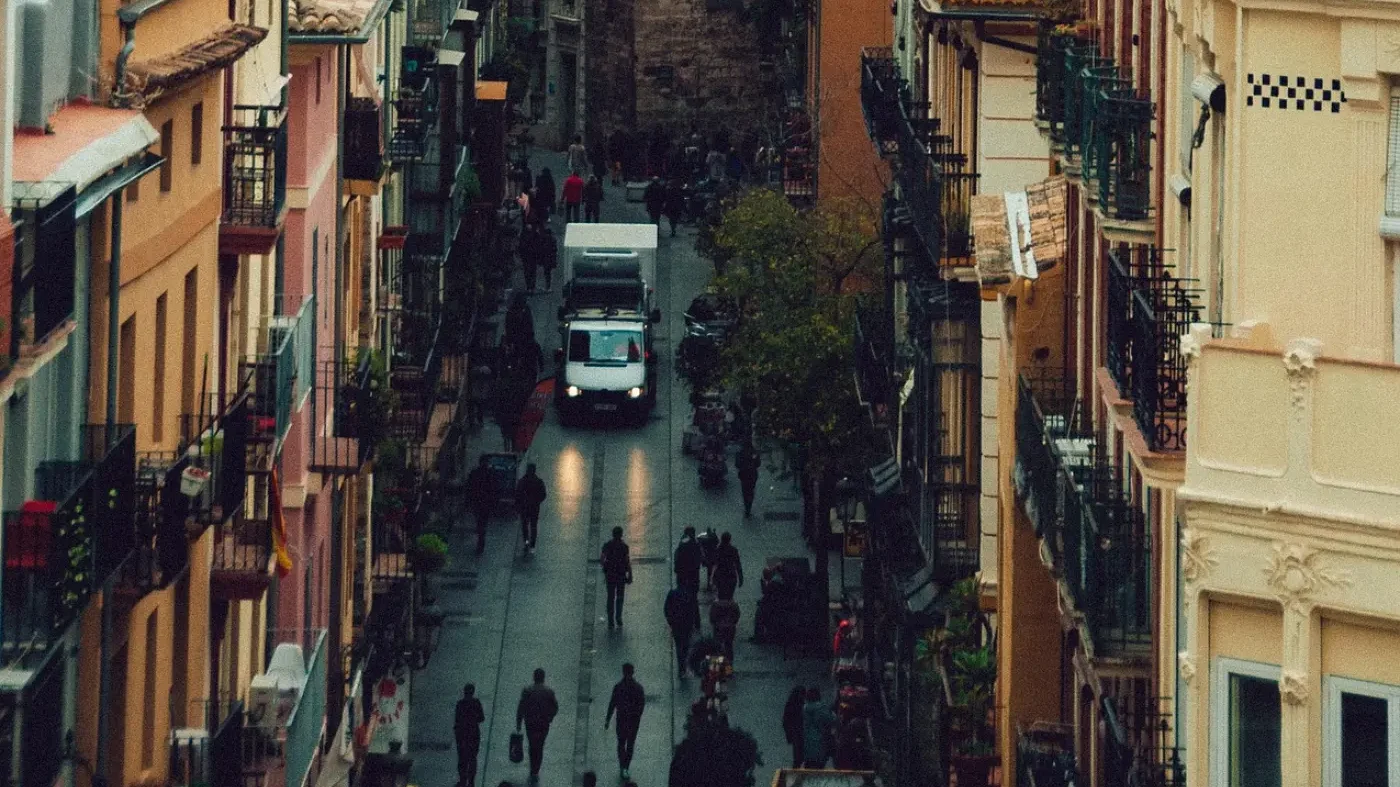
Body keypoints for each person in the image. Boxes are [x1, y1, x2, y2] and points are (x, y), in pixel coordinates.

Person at [516, 668, 559, 780]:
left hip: (530, 723)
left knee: (532, 744)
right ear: (543, 677)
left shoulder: (527, 691)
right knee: (540, 745)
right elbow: (555, 707)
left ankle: (532, 767)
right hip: (543, 723)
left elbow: (521, 707)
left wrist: (519, 722)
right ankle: (536, 769)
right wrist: (550, 718)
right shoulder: (549, 692)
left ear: (534, 677)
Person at [604, 663, 646, 779]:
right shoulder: (638, 688)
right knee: (628, 745)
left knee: (622, 744)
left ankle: (623, 766)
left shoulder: (618, 687)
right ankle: (625, 767)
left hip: (622, 720)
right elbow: (641, 705)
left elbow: (612, 704)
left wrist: (608, 719)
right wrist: (637, 716)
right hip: (632, 721)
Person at [664, 584, 700, 677]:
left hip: (676, 624)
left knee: (679, 645)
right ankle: (683, 664)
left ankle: (681, 666)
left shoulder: (672, 594)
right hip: (687, 624)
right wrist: (694, 623)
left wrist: (670, 621)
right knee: (686, 645)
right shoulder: (690, 595)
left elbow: (666, 609)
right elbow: (693, 610)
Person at [600, 526, 632, 628]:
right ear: (621, 534)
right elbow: (627, 561)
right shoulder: (624, 547)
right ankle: (618, 617)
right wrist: (630, 574)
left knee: (610, 597)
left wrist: (605, 566)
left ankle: (610, 620)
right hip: (621, 575)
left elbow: (602, 558)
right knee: (620, 597)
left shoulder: (607, 545)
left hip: (610, 575)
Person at [455, 684, 485, 786]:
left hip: (462, 734)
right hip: (473, 733)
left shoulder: (460, 704)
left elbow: (457, 721)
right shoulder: (476, 703)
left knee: (462, 758)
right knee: (472, 757)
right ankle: (471, 780)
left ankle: (463, 779)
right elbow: (481, 718)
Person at [466, 456, 497, 555]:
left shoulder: (475, 473)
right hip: (485, 503)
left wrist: (469, 501)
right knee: (483, 522)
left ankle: (480, 539)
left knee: (480, 522)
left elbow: (469, 487)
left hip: (477, 502)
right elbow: (494, 489)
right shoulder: (490, 474)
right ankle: (481, 541)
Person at [801, 686, 836, 769]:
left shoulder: (804, 708)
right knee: (819, 766)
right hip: (820, 741)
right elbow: (831, 720)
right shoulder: (821, 708)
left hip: (807, 741)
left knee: (809, 766)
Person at [515, 463, 546, 552]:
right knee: (533, 526)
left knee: (525, 526)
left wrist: (518, 506)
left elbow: (517, 495)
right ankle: (532, 544)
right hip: (534, 508)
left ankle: (526, 542)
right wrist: (537, 501)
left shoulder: (522, 482)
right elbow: (543, 495)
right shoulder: (539, 482)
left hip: (524, 508)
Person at [712, 532, 743, 601]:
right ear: (729, 539)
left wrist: (713, 578)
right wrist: (741, 578)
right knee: (729, 597)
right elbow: (738, 564)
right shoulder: (733, 550)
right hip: (731, 576)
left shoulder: (718, 550)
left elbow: (714, 564)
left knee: (721, 597)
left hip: (721, 576)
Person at [709, 597, 740, 662]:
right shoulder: (733, 604)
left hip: (718, 628)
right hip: (730, 628)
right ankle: (729, 666)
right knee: (729, 646)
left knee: (716, 647)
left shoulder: (715, 605)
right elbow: (737, 617)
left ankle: (715, 668)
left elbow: (712, 618)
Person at [782, 686, 806, 767]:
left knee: (797, 756)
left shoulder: (791, 704)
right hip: (798, 732)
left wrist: (788, 735)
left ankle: (797, 769)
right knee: (800, 755)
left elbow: (785, 721)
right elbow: (786, 721)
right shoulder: (800, 705)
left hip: (796, 732)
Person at [673, 526, 702, 592]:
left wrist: (676, 568)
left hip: (683, 572)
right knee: (693, 590)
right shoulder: (696, 543)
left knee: (682, 589)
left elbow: (677, 556)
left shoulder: (683, 542)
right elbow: (699, 556)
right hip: (693, 572)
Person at [736, 443, 760, 518]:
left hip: (744, 474)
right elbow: (758, 463)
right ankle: (748, 507)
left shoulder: (740, 452)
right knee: (751, 491)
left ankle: (747, 508)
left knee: (745, 491)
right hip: (752, 474)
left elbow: (737, 464)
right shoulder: (754, 452)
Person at [518, 223, 540, 292]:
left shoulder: (523, 237)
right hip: (532, 256)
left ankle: (529, 287)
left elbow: (521, 247)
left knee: (527, 272)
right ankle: (532, 287)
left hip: (526, 257)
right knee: (532, 272)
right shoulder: (534, 236)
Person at [696, 527, 719, 591]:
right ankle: (713, 583)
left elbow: (700, 542)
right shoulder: (713, 536)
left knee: (709, 571)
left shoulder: (705, 539)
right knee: (713, 570)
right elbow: (717, 542)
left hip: (708, 557)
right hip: (713, 556)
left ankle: (710, 584)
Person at [538, 224, 558, 291]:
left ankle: (548, 287)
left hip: (546, 259)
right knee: (548, 273)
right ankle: (548, 287)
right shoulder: (553, 240)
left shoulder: (544, 240)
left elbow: (541, 249)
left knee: (547, 273)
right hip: (551, 259)